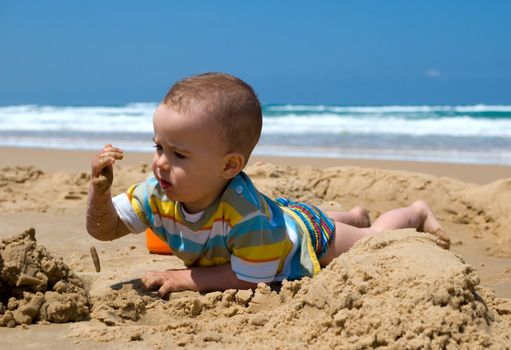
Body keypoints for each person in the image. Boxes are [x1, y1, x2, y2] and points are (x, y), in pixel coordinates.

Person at [86, 73, 450, 297]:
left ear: (229, 166)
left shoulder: (245, 216)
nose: (161, 162)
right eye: (158, 146)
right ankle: (352, 214)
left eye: (179, 155)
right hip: (276, 220)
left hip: (304, 238)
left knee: (372, 239)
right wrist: (98, 194)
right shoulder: (156, 190)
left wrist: (186, 278)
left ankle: (415, 212)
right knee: (286, 217)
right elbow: (104, 230)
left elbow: (249, 278)